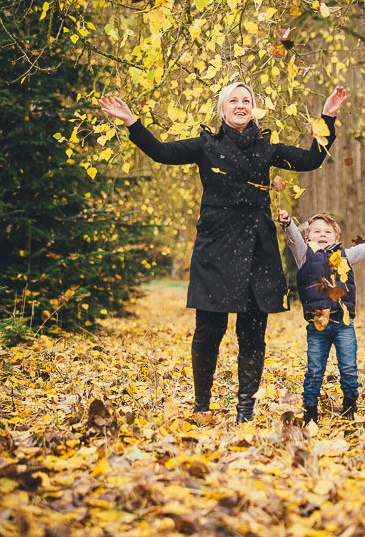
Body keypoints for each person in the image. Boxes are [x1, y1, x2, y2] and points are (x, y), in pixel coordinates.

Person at [100, 82, 347, 422]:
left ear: (254, 109)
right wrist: (132, 122)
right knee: (208, 330)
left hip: (257, 251)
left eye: (247, 100)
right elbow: (161, 152)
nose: (241, 104)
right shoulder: (206, 145)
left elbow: (311, 160)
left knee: (252, 332)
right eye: (234, 100)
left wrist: (328, 118)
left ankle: (245, 410)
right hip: (215, 249)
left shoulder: (268, 148)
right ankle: (202, 407)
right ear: (223, 109)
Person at [277, 210, 365, 424]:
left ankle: (349, 407)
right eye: (316, 231)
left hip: (343, 324)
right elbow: (292, 237)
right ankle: (310, 410)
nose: (322, 234)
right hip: (317, 326)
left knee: (349, 368)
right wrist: (287, 223)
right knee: (314, 370)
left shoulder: (345, 256)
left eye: (328, 231)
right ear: (307, 238)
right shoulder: (304, 255)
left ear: (337, 239)